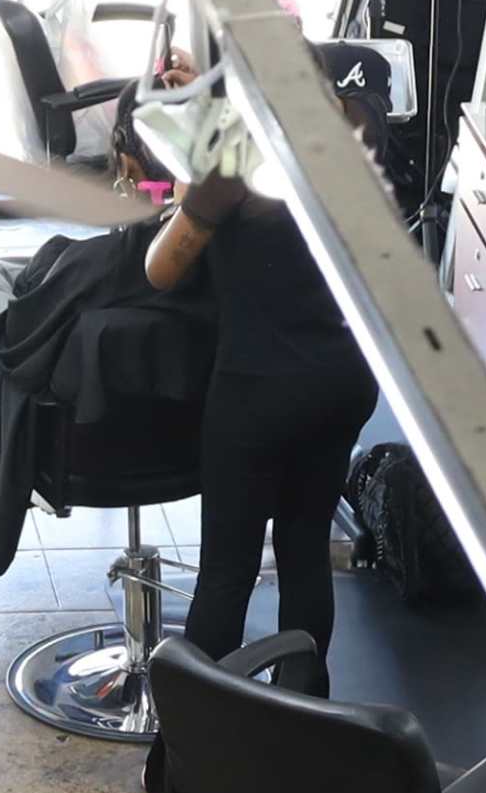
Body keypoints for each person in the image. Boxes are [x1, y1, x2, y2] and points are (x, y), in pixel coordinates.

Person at [151, 44, 393, 661]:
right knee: (305, 550)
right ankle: (303, 705)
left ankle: (202, 720)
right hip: (344, 382)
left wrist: (192, 180)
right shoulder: (361, 128)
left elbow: (161, 269)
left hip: (259, 391)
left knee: (227, 571)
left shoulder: (232, 166)